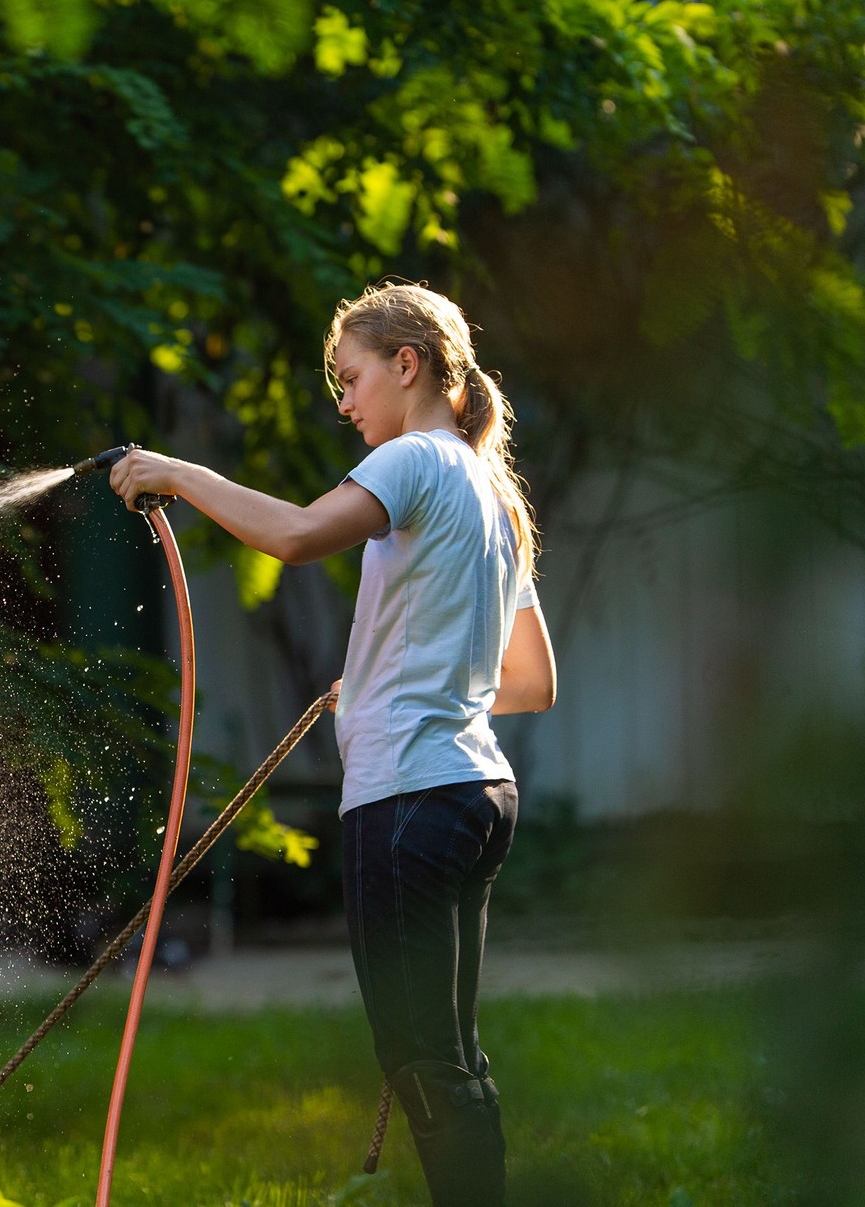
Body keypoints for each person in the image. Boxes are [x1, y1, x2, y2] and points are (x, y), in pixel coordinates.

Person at [108, 282, 556, 1207]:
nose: (345, 402)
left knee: (422, 1061)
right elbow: (530, 684)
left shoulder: (417, 460)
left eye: (352, 379)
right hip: (477, 794)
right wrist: (397, 676)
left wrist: (178, 474)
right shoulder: (495, 497)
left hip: (407, 800)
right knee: (452, 1056)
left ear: (409, 364)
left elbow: (301, 535)